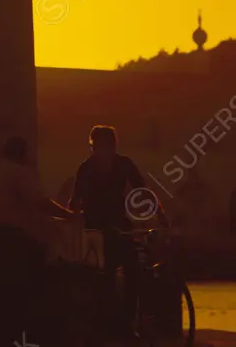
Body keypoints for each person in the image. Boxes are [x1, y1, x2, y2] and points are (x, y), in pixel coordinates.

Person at [0, 137, 75, 345]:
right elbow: (41, 202)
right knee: (36, 283)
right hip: (10, 241)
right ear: (24, 154)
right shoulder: (18, 172)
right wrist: (69, 215)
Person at [69, 124, 168, 336]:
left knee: (132, 272)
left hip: (118, 224)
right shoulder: (86, 167)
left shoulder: (123, 164)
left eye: (103, 146)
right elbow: (75, 200)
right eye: (96, 146)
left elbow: (142, 189)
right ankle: (104, 325)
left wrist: (160, 214)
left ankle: (126, 325)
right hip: (95, 228)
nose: (99, 151)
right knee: (102, 277)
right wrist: (71, 217)